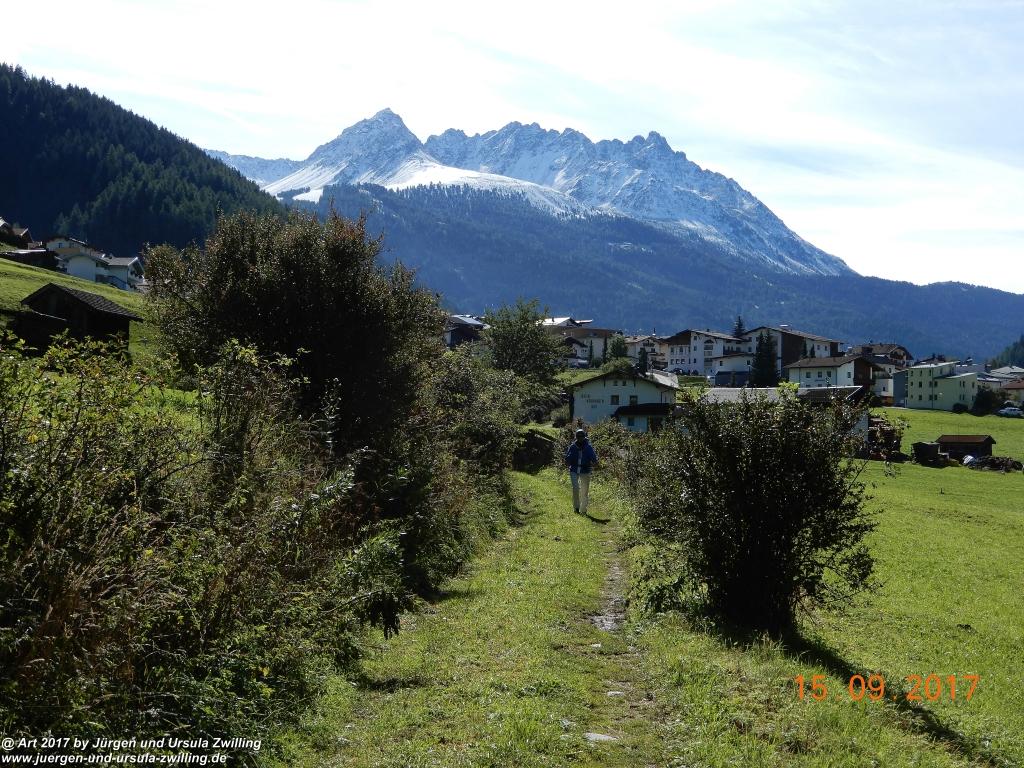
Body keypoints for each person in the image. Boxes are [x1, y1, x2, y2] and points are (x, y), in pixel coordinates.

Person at [565, 428, 598, 515]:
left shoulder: (588, 447)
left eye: (581, 436)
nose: (580, 438)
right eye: (578, 436)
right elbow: (567, 459)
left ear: (584, 437)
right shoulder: (572, 447)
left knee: (584, 491)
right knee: (575, 488)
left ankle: (583, 510)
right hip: (574, 470)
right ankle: (576, 507)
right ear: (576, 437)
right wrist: (569, 458)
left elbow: (594, 459)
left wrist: (594, 462)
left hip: (585, 470)